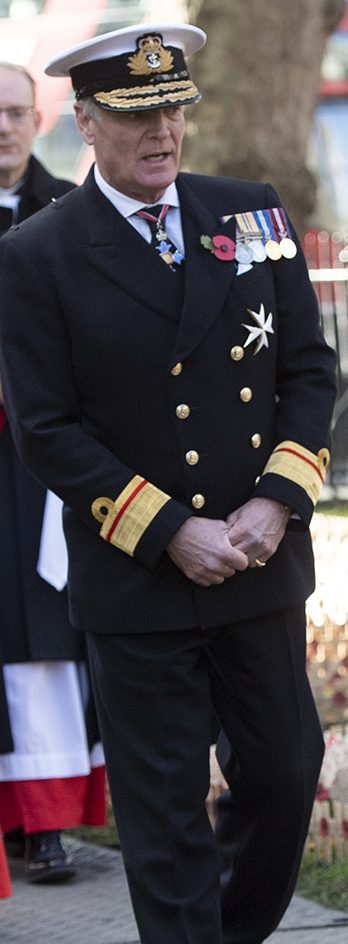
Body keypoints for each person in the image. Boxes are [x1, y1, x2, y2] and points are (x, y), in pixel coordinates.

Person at [0, 24, 335, 944]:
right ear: (84, 124)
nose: (164, 132)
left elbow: (310, 372)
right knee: (162, 812)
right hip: (139, 575)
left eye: (173, 110)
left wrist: (275, 504)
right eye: (137, 116)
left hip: (257, 560)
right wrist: (166, 529)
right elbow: (47, 429)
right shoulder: (37, 254)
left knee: (284, 774)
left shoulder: (249, 213)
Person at [0, 61, 107, 886]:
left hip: (38, 460)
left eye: (12, 113)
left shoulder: (73, 213)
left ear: (38, 120)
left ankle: (41, 820)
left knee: (42, 630)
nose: (2, 128)